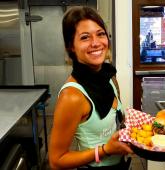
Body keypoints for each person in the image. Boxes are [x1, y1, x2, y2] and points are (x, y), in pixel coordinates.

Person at [48, 6, 133, 169]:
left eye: (100, 34)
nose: (96, 43)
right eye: (85, 37)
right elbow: (56, 161)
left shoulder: (110, 78)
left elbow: (116, 121)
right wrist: (105, 150)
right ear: (71, 46)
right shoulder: (72, 96)